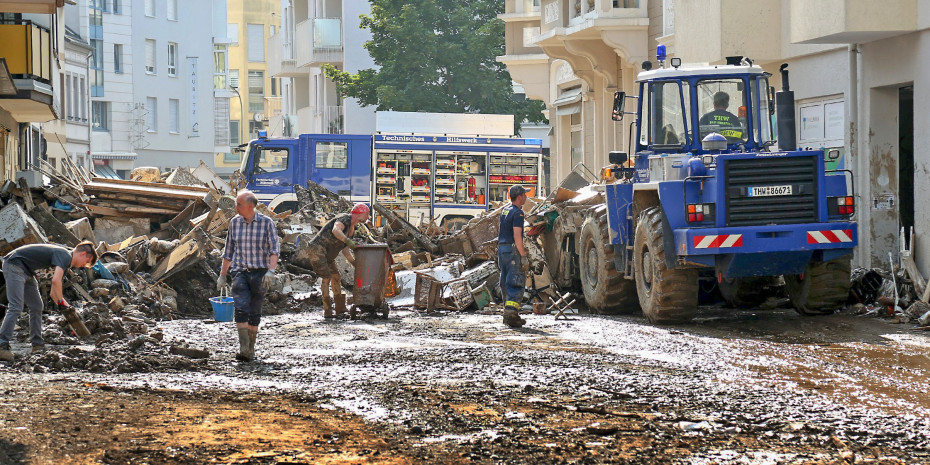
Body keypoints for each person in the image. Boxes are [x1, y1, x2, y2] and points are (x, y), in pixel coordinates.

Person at [0, 241, 98, 361]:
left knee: (37, 306)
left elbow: (53, 293)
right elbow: (56, 281)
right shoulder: (65, 255)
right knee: (16, 306)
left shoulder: (64, 265)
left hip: (27, 271)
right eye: (87, 261)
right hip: (14, 264)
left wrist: (67, 308)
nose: (84, 265)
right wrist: (61, 301)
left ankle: (37, 344)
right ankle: (2, 345)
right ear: (83, 254)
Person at [218, 190, 280, 362]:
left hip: (261, 273)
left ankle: (251, 348)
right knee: (240, 308)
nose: (236, 208)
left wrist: (271, 271)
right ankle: (243, 348)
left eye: (239, 204)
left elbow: (274, 250)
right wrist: (223, 275)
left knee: (255, 311)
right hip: (240, 272)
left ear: (250, 206)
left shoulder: (266, 223)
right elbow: (228, 251)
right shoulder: (234, 223)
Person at [305, 203, 370, 319]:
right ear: (359, 214)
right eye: (367, 214)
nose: (368, 217)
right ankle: (327, 309)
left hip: (328, 255)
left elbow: (345, 250)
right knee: (326, 277)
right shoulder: (345, 218)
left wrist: (355, 263)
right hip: (317, 249)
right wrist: (347, 240)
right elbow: (336, 230)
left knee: (336, 277)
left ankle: (340, 307)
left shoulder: (352, 229)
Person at [498, 185, 530, 328]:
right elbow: (517, 237)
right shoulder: (518, 213)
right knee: (516, 281)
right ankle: (511, 315)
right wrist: (523, 256)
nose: (526, 197)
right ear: (519, 196)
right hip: (512, 250)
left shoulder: (505, 210)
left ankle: (509, 313)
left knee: (505, 281)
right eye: (524, 195)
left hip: (502, 249)